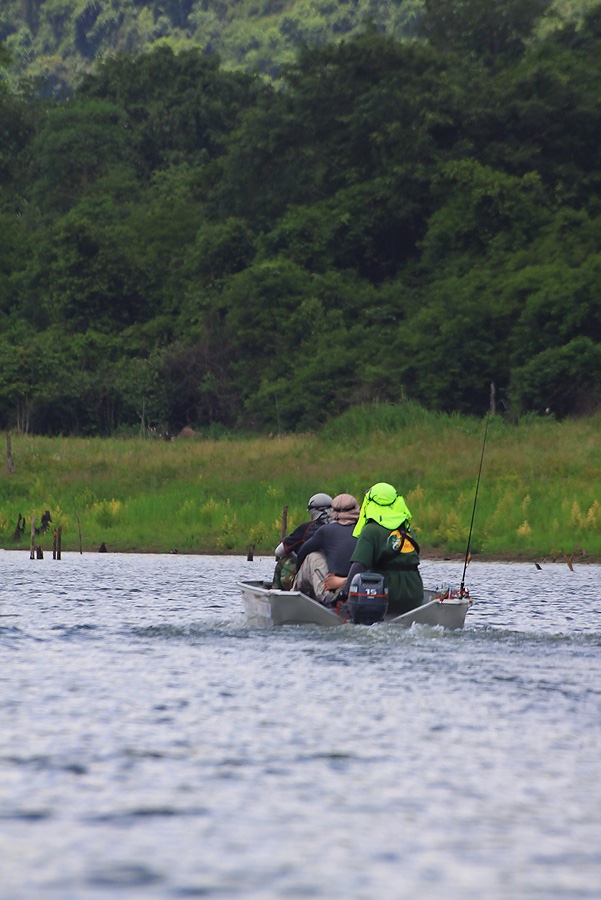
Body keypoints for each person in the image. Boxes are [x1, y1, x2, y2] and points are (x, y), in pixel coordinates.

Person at [325, 482, 423, 615]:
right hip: (415, 595)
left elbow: (359, 566)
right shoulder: (407, 529)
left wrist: (343, 594)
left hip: (389, 596)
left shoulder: (370, 530)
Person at [292, 493, 361, 604]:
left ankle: (294, 595)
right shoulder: (366, 531)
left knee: (312, 556)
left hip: (334, 589)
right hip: (360, 585)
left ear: (333, 511)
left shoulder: (326, 530)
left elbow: (302, 553)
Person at [273, 493, 333, 589]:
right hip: (335, 578)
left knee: (283, 560)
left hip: (308, 578)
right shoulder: (342, 528)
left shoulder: (306, 528)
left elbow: (278, 551)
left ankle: (275, 593)